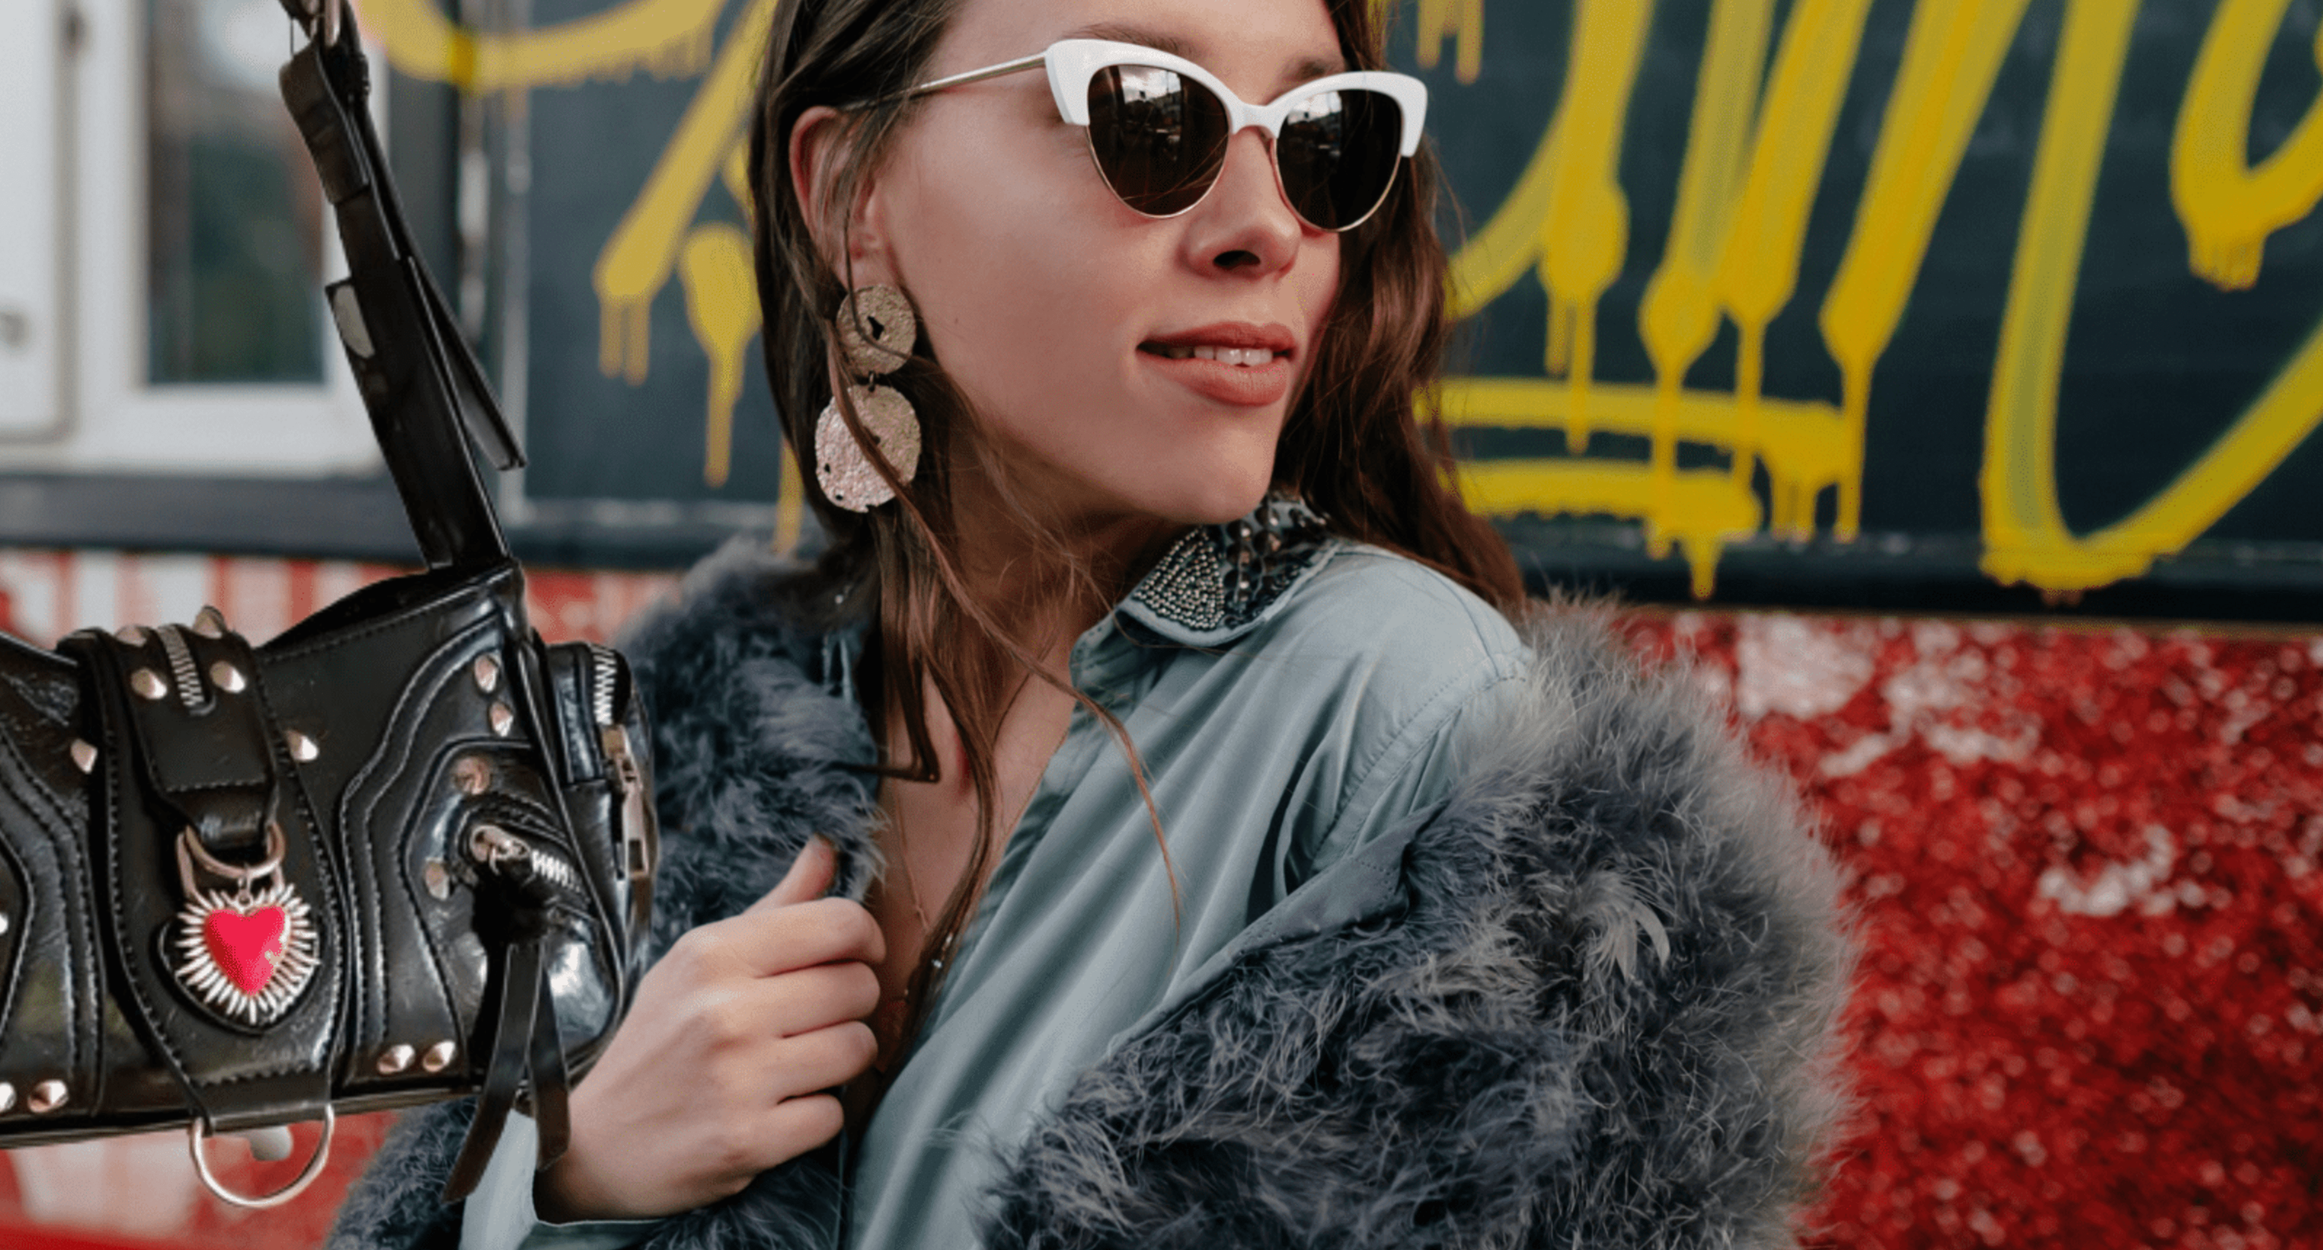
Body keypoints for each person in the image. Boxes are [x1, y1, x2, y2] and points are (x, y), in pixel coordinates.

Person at [327, 0, 1850, 1244]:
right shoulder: (670, 741)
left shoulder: (1423, 746)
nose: (1265, 228)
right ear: (852, 194)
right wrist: (573, 1175)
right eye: (1150, 113)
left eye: (1320, 137)